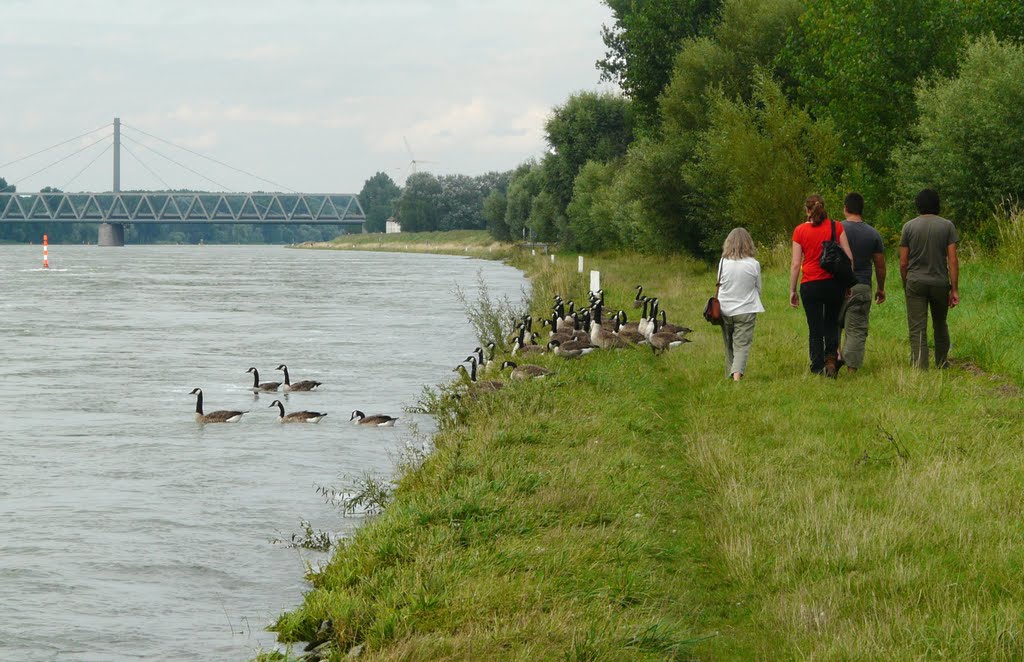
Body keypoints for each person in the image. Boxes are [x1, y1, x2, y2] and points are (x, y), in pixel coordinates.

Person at [789, 194, 854, 377]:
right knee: (832, 323)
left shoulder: (799, 231)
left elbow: (795, 264)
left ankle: (817, 366)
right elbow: (849, 258)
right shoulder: (836, 226)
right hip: (833, 283)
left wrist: (792, 290)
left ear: (807, 211)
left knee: (815, 327)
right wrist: (848, 283)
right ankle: (831, 360)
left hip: (810, 284)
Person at [899, 189, 959, 369]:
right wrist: (954, 289)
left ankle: (920, 365)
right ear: (937, 204)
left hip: (916, 282)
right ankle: (942, 362)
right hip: (940, 283)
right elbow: (953, 260)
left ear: (918, 205)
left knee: (917, 327)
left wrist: (906, 282)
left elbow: (903, 262)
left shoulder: (908, 227)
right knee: (940, 323)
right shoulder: (947, 226)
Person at [839, 192, 886, 373]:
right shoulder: (873, 234)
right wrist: (881, 288)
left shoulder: (836, 230)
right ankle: (851, 370)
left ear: (845, 208)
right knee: (856, 329)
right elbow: (880, 266)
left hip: (837, 285)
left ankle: (832, 362)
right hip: (862, 285)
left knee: (833, 325)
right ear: (862, 210)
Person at [717, 227, 764, 381]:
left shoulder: (723, 262)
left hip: (724, 309)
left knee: (729, 344)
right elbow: (758, 289)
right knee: (742, 345)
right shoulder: (754, 264)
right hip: (746, 309)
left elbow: (719, 284)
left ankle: (730, 375)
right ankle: (736, 377)